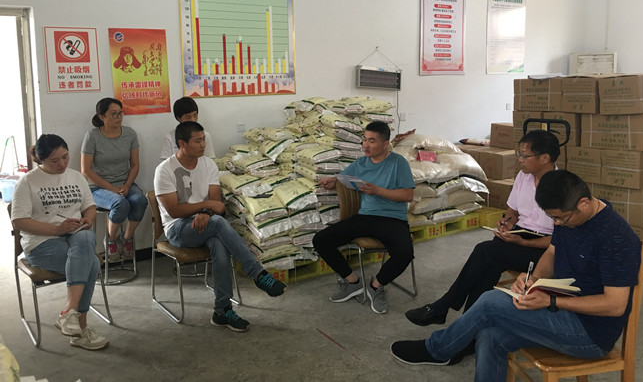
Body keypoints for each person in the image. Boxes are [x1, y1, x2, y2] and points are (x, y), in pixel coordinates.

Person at [390, 170, 641, 382]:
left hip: (589, 334)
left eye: (559, 218)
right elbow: (552, 253)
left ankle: (437, 349)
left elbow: (615, 305)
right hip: (561, 309)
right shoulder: (569, 216)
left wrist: (551, 301)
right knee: (490, 335)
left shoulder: (616, 238)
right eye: (552, 218)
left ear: (583, 203)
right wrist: (533, 279)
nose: (557, 224)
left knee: (490, 302)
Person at [405, 130, 559, 339]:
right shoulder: (523, 176)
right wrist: (507, 222)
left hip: (543, 250)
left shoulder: (561, 187)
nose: (520, 160)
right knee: (488, 263)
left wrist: (522, 242)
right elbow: (513, 210)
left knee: (485, 252)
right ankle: (469, 327)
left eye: (525, 155)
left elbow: (560, 242)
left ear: (544, 158)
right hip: (520, 235)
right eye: (519, 154)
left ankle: (445, 307)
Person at [154, 121, 287, 332]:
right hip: (177, 229)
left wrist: (205, 212)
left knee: (218, 243)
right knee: (218, 223)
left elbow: (216, 202)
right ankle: (257, 274)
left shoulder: (208, 164)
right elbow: (174, 211)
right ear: (182, 144)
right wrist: (206, 207)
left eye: (203, 140)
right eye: (197, 141)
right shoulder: (165, 170)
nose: (203, 145)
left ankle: (222, 310)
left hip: (207, 223)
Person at [11, 134, 109, 350]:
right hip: (41, 243)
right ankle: (80, 327)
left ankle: (68, 314)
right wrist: (57, 229)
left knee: (86, 236)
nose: (62, 164)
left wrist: (87, 219)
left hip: (75, 237)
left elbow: (90, 206)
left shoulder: (75, 176)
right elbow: (19, 221)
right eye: (54, 160)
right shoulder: (27, 182)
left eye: (65, 157)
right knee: (91, 263)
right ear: (41, 159)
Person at [312, 121, 415, 315]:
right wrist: (332, 180)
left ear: (385, 144)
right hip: (366, 217)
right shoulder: (360, 163)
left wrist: (377, 191)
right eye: (364, 140)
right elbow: (343, 177)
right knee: (321, 240)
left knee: (405, 253)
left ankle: (376, 286)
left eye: (372, 141)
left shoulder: (398, 163)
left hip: (392, 218)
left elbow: (407, 195)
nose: (366, 145)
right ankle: (352, 283)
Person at [81, 98, 147, 262]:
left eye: (120, 113)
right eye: (114, 114)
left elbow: (135, 165)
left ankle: (126, 238)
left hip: (124, 184)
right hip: (98, 187)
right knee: (120, 203)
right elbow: (86, 170)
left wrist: (127, 184)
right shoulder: (92, 136)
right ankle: (110, 239)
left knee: (140, 200)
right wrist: (112, 189)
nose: (119, 117)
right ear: (102, 116)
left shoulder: (130, 134)